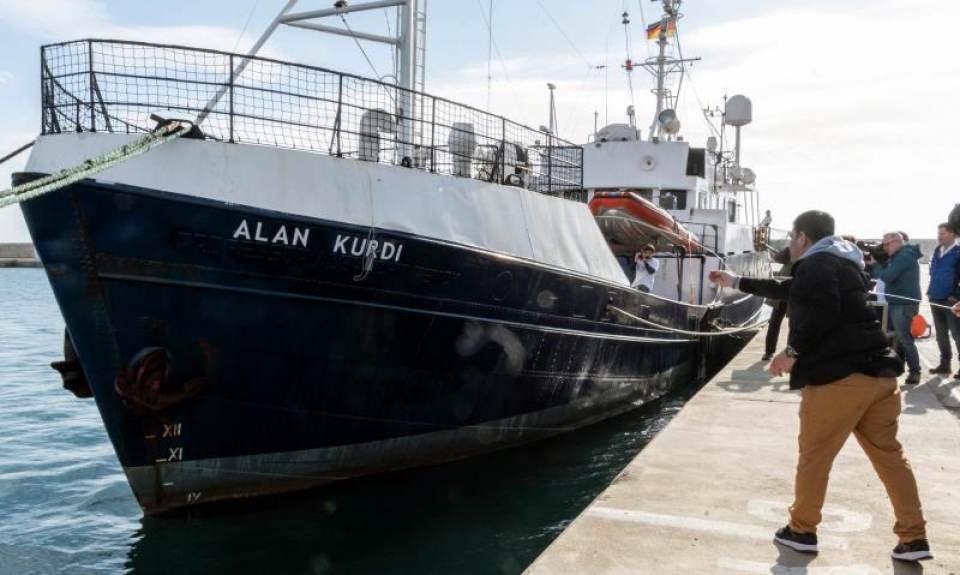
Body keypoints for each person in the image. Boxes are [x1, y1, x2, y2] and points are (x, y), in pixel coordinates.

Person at [710, 210, 931, 562]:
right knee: (891, 458)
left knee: (815, 458)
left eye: (793, 239)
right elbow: (794, 290)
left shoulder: (814, 265)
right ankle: (914, 537)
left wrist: (791, 353)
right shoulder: (844, 263)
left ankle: (802, 530)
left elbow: (822, 310)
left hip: (838, 380)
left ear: (801, 238)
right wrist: (737, 281)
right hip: (880, 375)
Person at [880, 232, 923, 384]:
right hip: (899, 303)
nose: (884, 248)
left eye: (887, 244)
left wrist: (878, 265)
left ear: (897, 242)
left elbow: (887, 276)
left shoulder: (903, 257)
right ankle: (906, 368)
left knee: (905, 339)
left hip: (903, 305)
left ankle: (915, 371)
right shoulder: (901, 256)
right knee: (901, 338)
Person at [926, 223, 960, 376]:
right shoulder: (936, 250)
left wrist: (956, 296)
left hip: (951, 300)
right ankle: (945, 364)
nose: (939, 236)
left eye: (943, 233)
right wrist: (929, 290)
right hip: (935, 296)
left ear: (953, 234)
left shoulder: (958, 252)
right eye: (938, 233)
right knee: (940, 335)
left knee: (957, 334)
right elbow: (933, 272)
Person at [763, 246, 791, 361]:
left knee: (793, 326)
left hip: (796, 290)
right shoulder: (792, 248)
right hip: (782, 289)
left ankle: (790, 354)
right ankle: (769, 352)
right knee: (774, 322)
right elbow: (778, 258)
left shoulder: (812, 250)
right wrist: (789, 248)